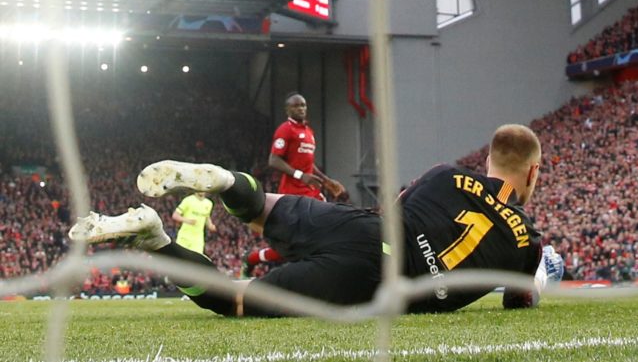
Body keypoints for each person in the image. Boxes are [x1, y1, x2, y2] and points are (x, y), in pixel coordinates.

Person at [70, 124, 557, 316]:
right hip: (380, 277)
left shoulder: (444, 174)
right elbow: (519, 304)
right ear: (532, 171)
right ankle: (157, 240)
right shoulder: (527, 244)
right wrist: (537, 278)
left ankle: (222, 180)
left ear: (490, 158)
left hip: (366, 228)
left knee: (261, 208)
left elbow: (394, 207)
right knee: (238, 301)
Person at [242, 92, 348, 277]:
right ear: (287, 109)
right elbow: (274, 160)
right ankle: (253, 259)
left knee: (315, 237)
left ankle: (255, 259)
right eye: (296, 105)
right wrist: (300, 175)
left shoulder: (308, 132)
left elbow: (309, 163)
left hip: (310, 191)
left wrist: (326, 180)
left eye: (303, 105)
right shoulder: (285, 130)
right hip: (292, 194)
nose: (301, 108)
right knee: (296, 246)